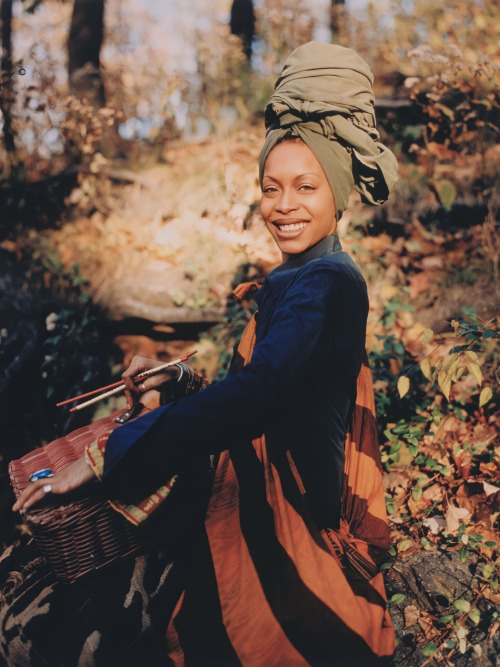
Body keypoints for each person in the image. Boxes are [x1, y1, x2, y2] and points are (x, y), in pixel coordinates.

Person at [13, 42, 398, 666]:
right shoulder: (303, 276)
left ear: (341, 191)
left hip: (292, 509)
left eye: (306, 186)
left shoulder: (326, 284)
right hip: (271, 472)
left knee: (85, 611)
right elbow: (271, 385)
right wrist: (180, 384)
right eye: (270, 188)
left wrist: (109, 455)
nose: (283, 205)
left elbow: (259, 396)